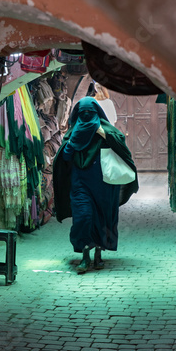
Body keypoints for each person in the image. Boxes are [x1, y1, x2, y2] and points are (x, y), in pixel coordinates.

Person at [53, 96, 138, 273]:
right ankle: (85, 256)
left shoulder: (106, 131)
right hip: (80, 186)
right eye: (83, 114)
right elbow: (65, 157)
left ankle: (99, 253)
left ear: (97, 114)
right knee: (83, 218)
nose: (86, 117)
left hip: (104, 186)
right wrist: (74, 142)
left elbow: (123, 148)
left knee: (103, 219)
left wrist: (104, 134)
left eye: (90, 113)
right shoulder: (73, 133)